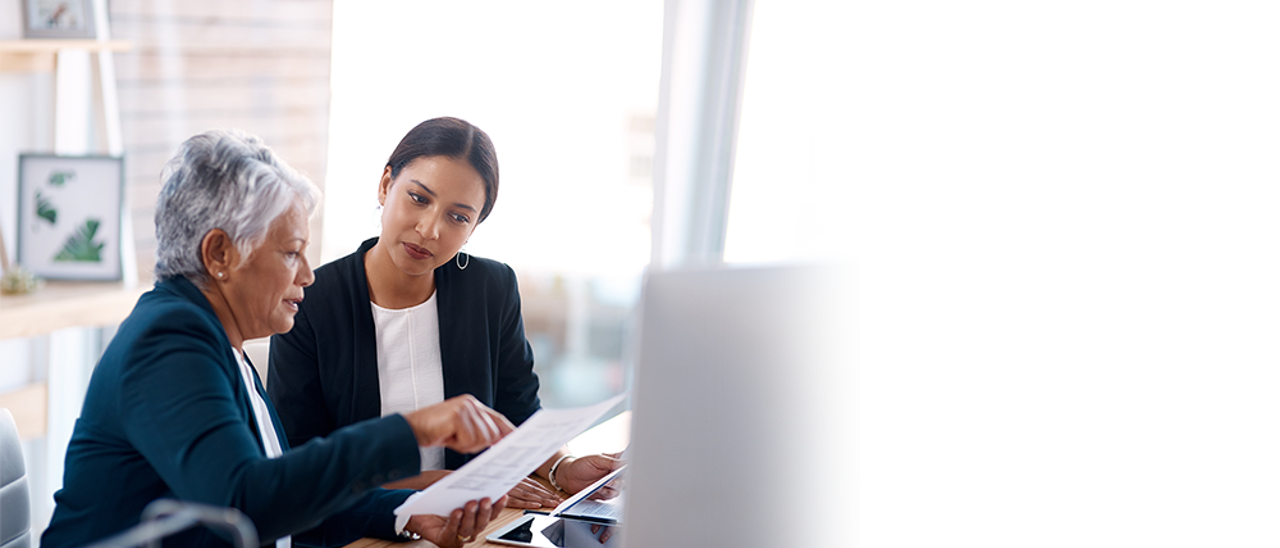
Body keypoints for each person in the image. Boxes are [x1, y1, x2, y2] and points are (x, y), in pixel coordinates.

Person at [41, 129, 511, 548]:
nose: (307, 275)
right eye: (291, 253)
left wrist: (408, 513)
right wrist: (415, 429)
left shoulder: (220, 343)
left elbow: (285, 495)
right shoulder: (169, 342)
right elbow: (245, 505)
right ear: (220, 253)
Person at [268, 117, 623, 512]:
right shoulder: (310, 301)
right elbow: (299, 461)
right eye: (419, 198)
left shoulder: (491, 288)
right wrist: (443, 486)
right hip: (357, 529)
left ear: (473, 228)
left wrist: (562, 466)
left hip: (472, 521)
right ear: (386, 186)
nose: (430, 229)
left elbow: (518, 412)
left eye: (457, 217)